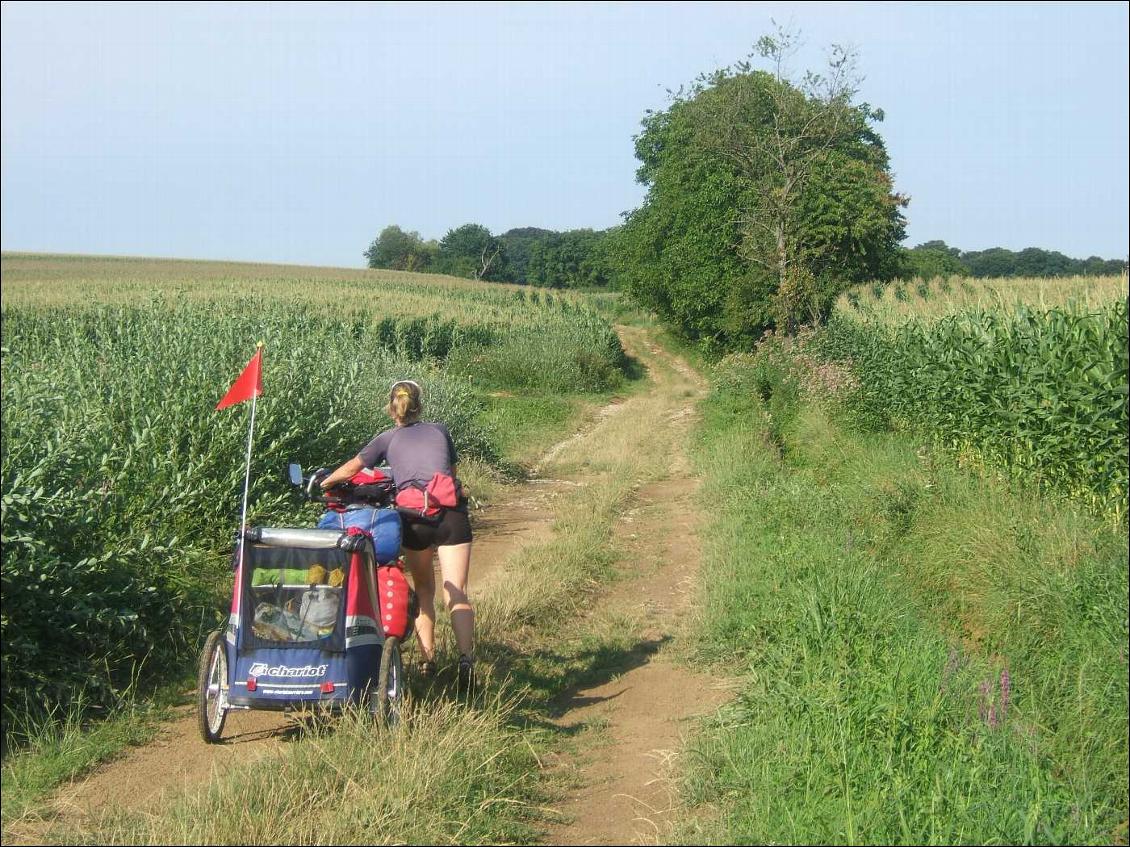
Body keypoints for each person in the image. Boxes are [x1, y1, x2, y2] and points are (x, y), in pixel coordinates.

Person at [319, 379, 475, 699]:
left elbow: (351, 469)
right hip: (450, 517)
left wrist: (323, 482)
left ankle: (427, 661)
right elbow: (452, 474)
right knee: (456, 593)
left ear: (393, 409)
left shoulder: (386, 438)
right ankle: (466, 661)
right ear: (420, 406)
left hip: (415, 520)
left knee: (425, 590)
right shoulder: (440, 431)